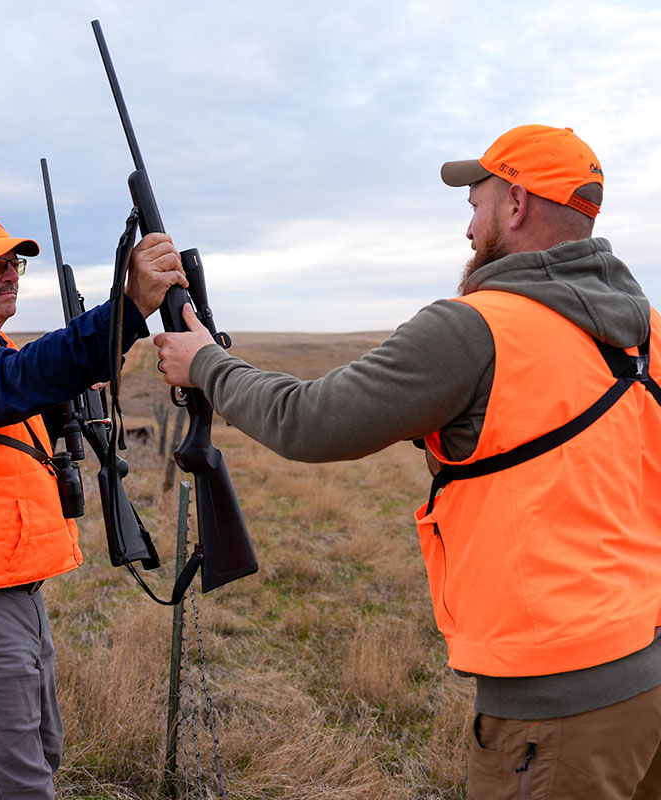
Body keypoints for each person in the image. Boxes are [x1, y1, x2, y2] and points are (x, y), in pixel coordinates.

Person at [154, 125, 661, 799]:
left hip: (559, 693)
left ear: (514, 204)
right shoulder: (647, 329)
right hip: (646, 664)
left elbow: (310, 421)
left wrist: (207, 364)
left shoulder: (476, 325)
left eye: (475, 204)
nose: (469, 228)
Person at [0, 208, 185, 799]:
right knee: (16, 785)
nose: (10, 274)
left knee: (37, 758)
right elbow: (7, 385)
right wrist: (127, 309)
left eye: (13, 262)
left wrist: (68, 389)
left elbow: (9, 401)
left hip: (6, 592)